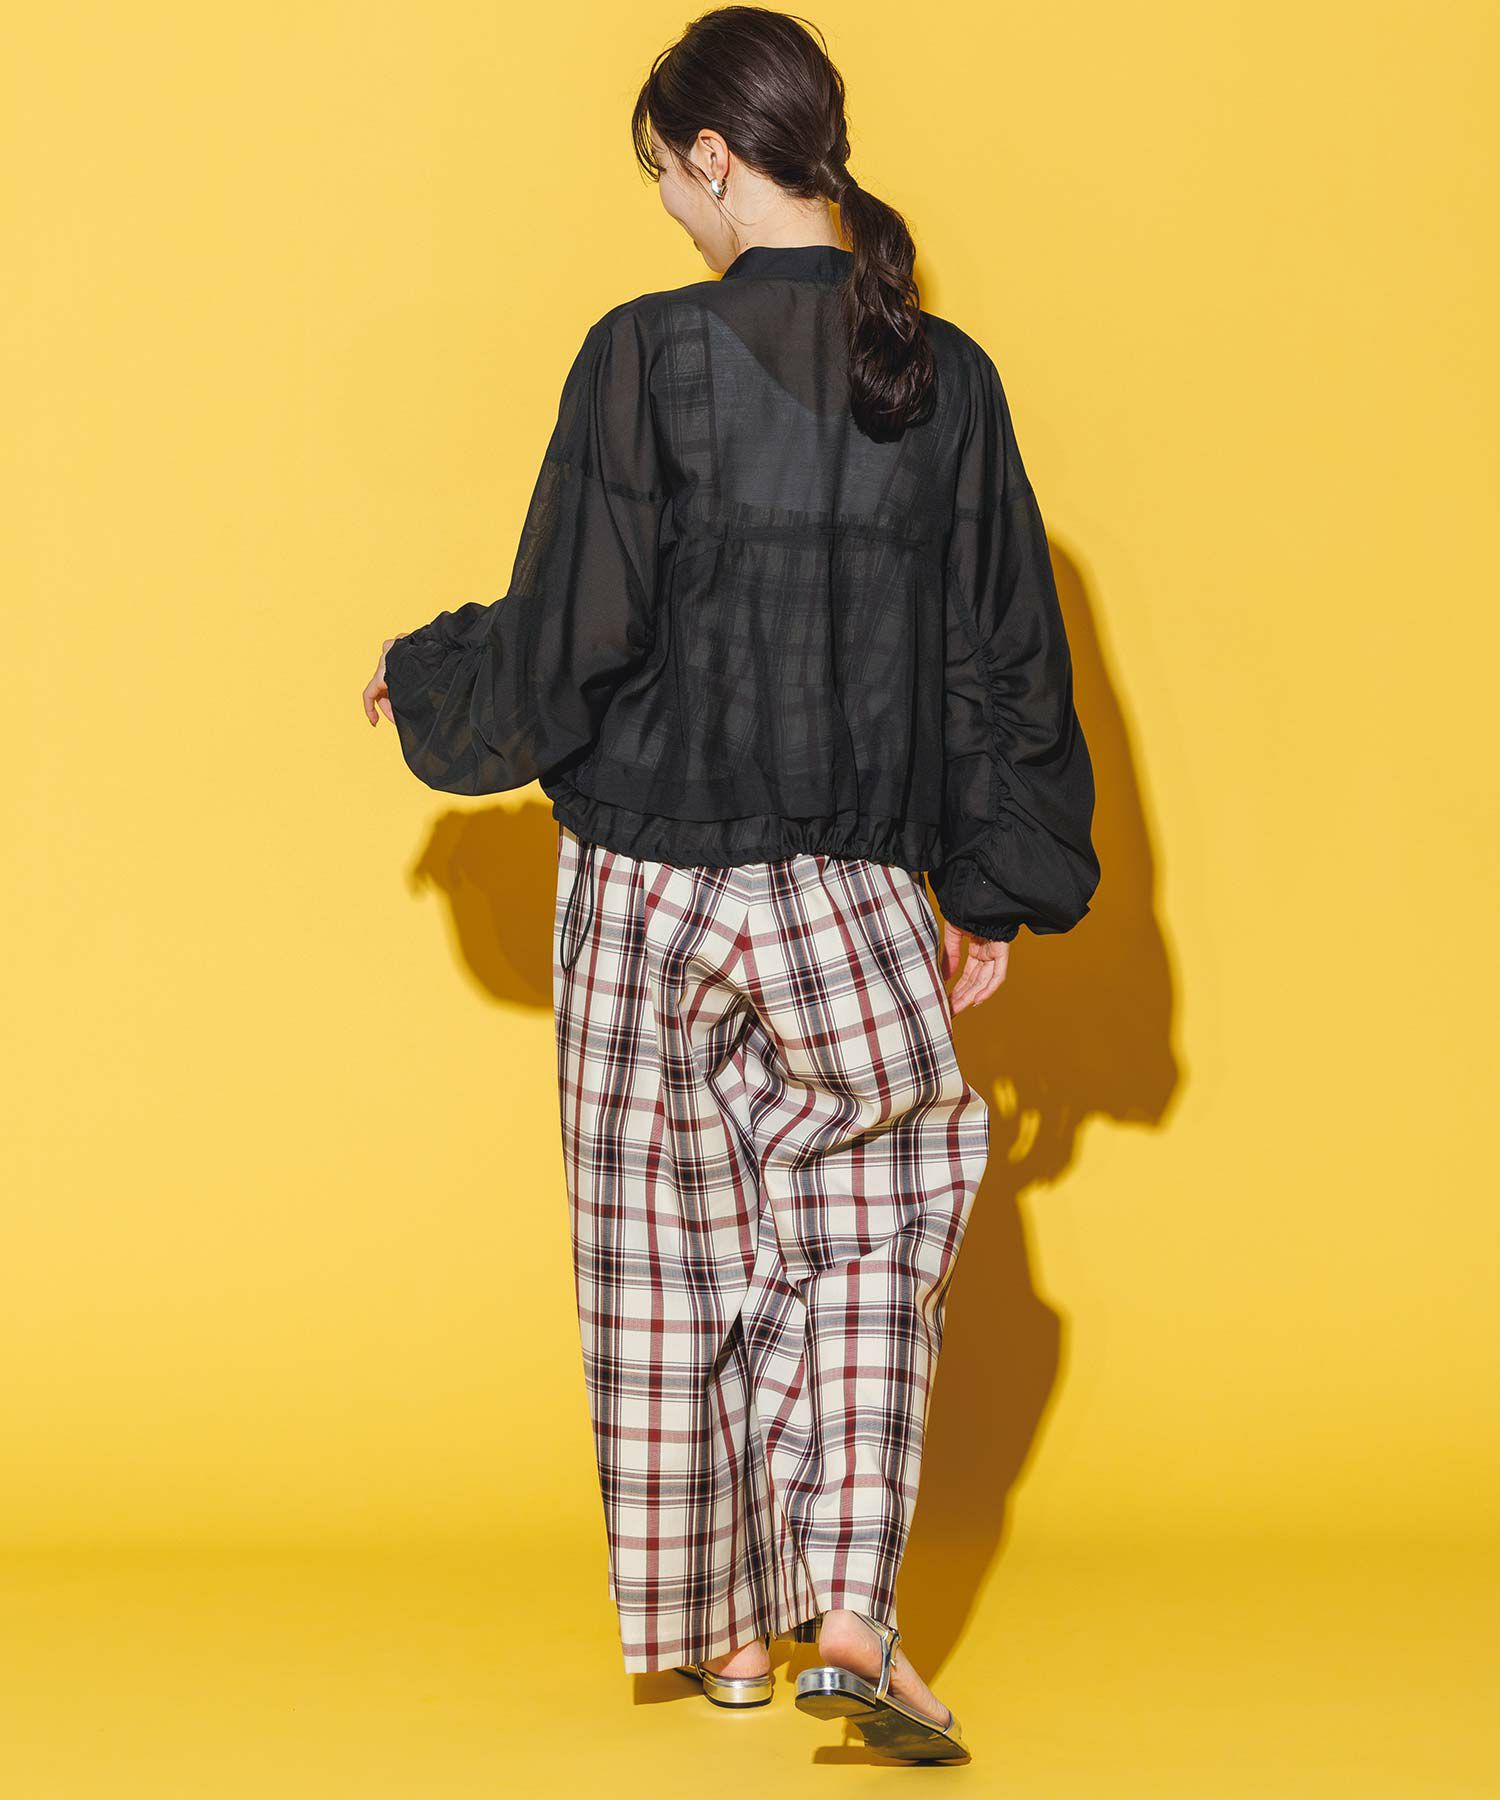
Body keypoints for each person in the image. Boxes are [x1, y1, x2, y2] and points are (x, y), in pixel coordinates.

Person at [364, 5, 1099, 1766]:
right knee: (868, 1240)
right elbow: (1002, 653)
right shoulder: (946, 376)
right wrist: (988, 890)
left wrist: (431, 674)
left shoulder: (644, 355)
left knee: (664, 1260)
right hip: (853, 888)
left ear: (712, 156)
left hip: (643, 892)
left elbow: (573, 631)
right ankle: (849, 1604)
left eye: (666, 175)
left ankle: (724, 1647)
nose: (670, 212)